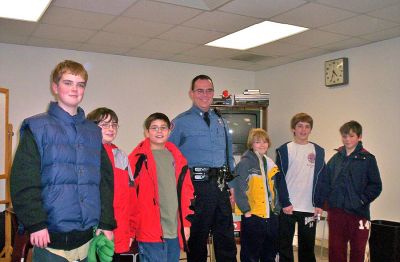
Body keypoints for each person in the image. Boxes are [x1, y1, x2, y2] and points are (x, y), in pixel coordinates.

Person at [10, 60, 116, 262]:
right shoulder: (37, 127)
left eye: (80, 84)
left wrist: (106, 223)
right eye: (68, 83)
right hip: (50, 241)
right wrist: (36, 223)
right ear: (55, 87)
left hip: (87, 240)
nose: (75, 89)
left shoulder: (93, 132)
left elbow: (105, 182)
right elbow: (24, 182)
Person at [169, 74, 237, 262]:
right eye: (200, 90)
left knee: (226, 241)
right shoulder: (180, 122)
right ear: (191, 93)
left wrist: (233, 187)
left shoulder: (221, 121)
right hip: (196, 189)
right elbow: (168, 156)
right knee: (197, 241)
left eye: (209, 90)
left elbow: (228, 156)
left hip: (221, 187)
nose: (205, 95)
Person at [124, 112, 194, 262]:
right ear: (147, 132)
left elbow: (187, 193)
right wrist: (130, 230)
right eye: (154, 128)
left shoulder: (178, 158)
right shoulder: (136, 160)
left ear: (169, 131)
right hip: (149, 230)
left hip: (173, 229)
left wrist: (186, 224)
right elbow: (128, 198)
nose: (159, 131)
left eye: (163, 127)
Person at [322, 120, 382, 262]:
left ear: (359, 137)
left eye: (351, 136)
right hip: (336, 213)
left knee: (358, 250)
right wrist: (326, 202)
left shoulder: (368, 159)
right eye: (344, 136)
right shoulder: (336, 158)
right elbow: (325, 181)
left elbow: (376, 186)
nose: (347, 139)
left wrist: (360, 200)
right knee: (336, 251)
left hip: (359, 214)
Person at [231, 128, 290, 262]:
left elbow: (275, 189)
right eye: (257, 142)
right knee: (250, 255)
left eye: (264, 142)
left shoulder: (270, 164)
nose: (262, 145)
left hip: (271, 216)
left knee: (269, 254)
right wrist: (246, 211)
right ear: (251, 144)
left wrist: (277, 209)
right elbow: (239, 188)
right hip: (254, 216)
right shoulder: (245, 163)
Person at [276, 112, 326, 262]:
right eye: (300, 126)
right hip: (288, 207)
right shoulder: (284, 149)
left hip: (309, 208)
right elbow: (279, 178)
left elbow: (323, 179)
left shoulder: (319, 151)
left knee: (307, 248)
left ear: (310, 129)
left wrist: (319, 203)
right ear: (293, 129)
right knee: (284, 246)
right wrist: (285, 202)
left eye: (307, 126)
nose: (303, 130)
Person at [86, 107, 136, 258]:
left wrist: (131, 230)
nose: (111, 128)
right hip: (93, 230)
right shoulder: (85, 155)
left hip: (118, 230)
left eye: (114, 124)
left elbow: (131, 197)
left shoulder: (121, 156)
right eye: (105, 124)